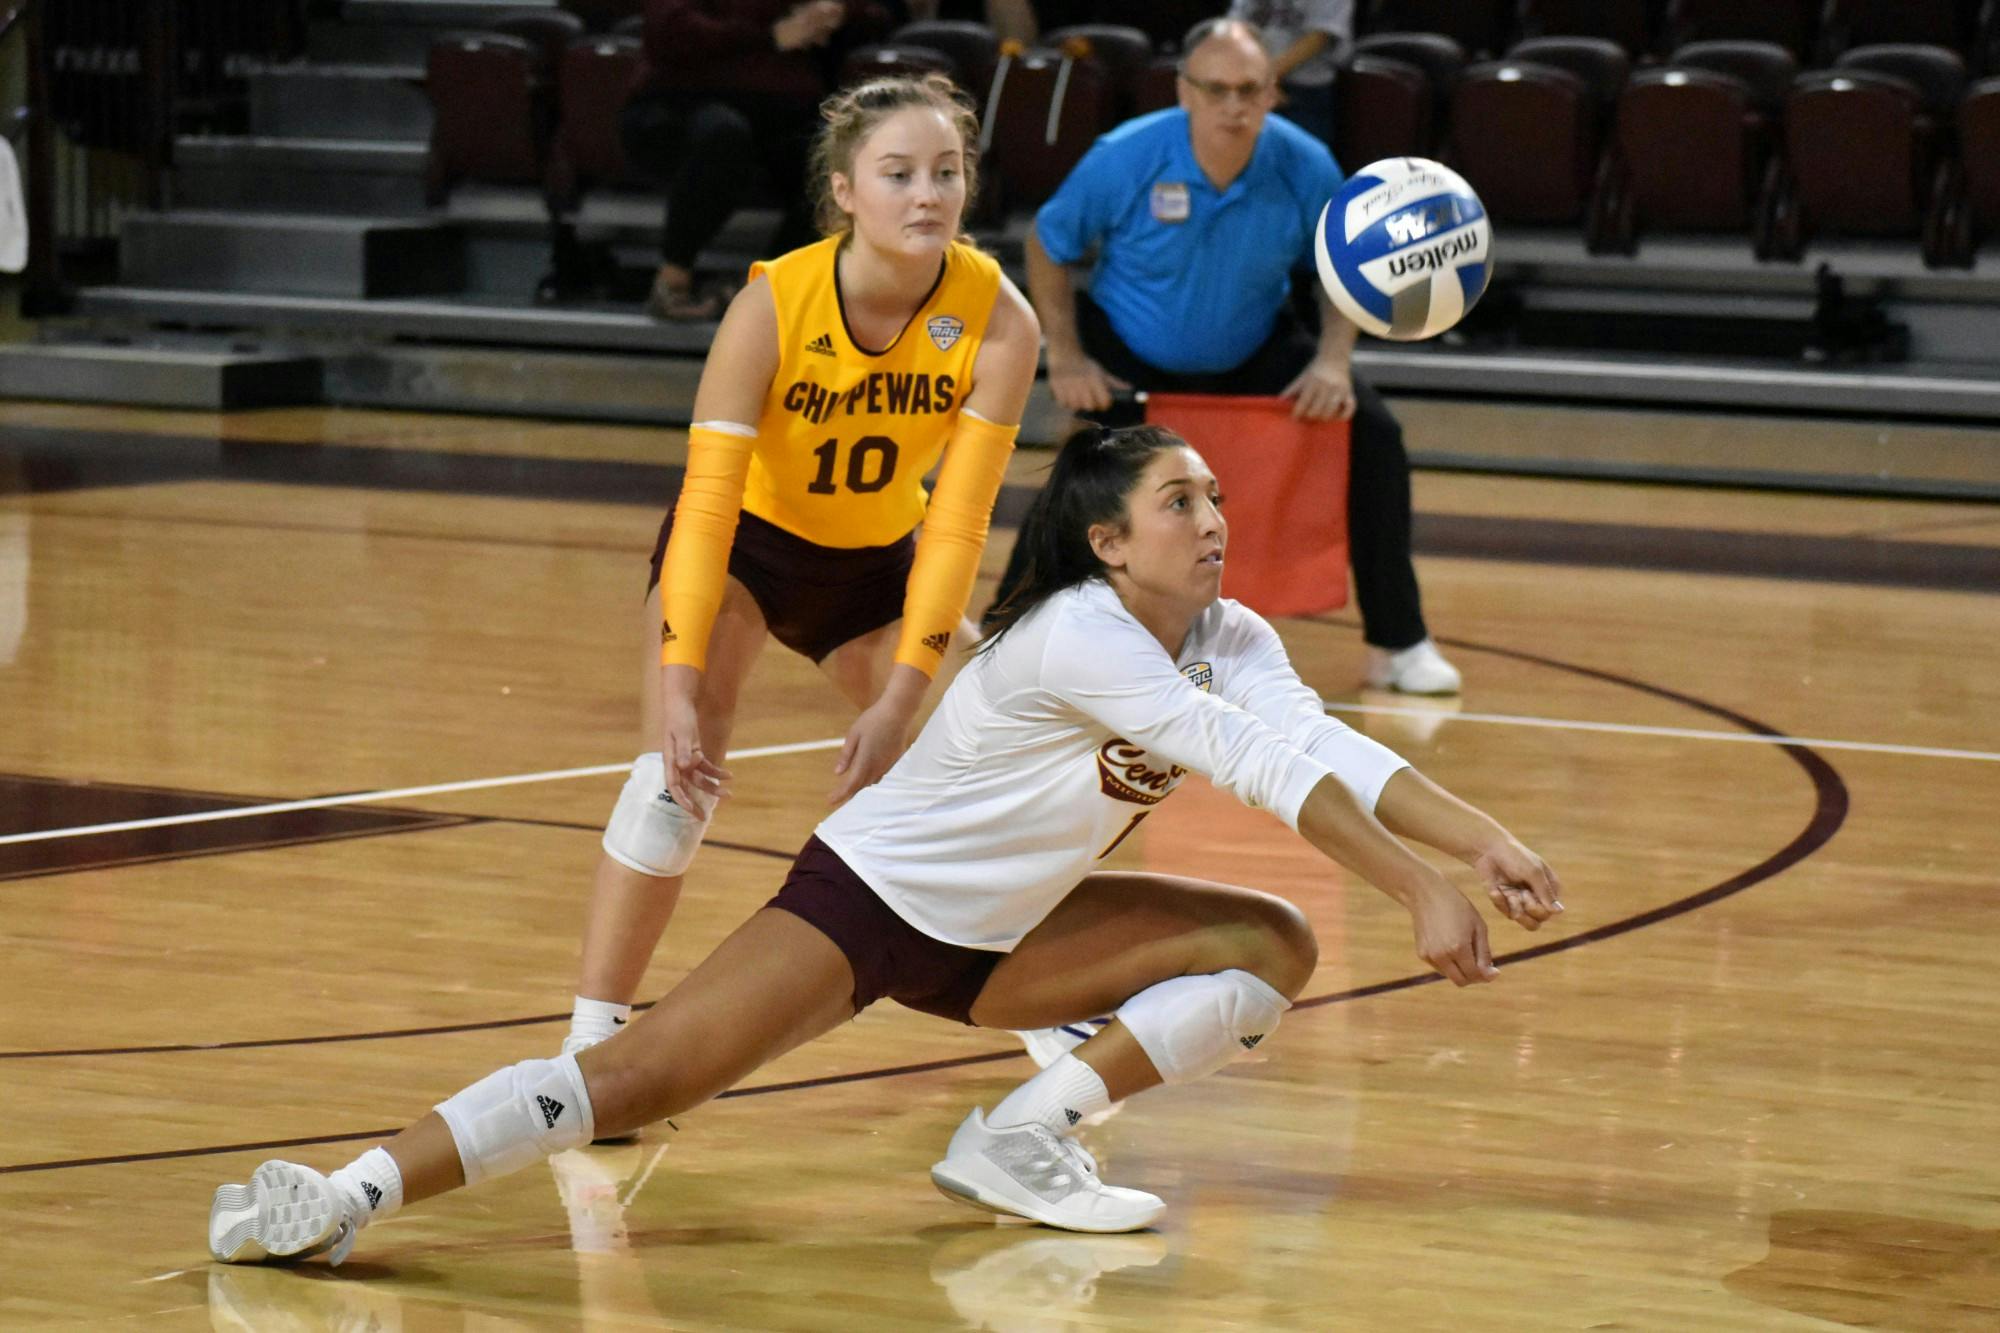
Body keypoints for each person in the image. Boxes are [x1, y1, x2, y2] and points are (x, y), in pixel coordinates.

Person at [206, 423, 1563, 1262]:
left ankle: (1022, 1138)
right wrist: (1421, 888)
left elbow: (1322, 746)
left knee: (1271, 943)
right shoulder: (1082, 631)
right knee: (629, 1081)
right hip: (869, 903)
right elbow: (1261, 770)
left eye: (1213, 496)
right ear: (1107, 541)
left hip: (1010, 936)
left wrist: (1478, 837)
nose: (1211, 520)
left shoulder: (1234, 635)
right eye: (1178, 503)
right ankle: (342, 1197)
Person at [561, 73, 1040, 1067]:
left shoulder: (997, 320)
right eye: (897, 173)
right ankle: (591, 1045)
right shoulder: (772, 303)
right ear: (845, 190)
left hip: (874, 568)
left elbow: (955, 530)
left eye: (945, 173)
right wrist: (679, 685)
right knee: (669, 789)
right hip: (744, 551)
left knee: (989, 768)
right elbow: (704, 502)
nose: (926, 195)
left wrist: (902, 698)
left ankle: (1033, 1008)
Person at [1010, 17, 1462, 697]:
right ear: (1184, 92)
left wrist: (1334, 361)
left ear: (1273, 92)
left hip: (1254, 345)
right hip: (1130, 346)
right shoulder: (1125, 155)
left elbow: (1344, 267)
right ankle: (1018, 628)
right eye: (1216, 90)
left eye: (1249, 90)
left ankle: (1399, 643)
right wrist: (1067, 356)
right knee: (1084, 469)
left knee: (1373, 433)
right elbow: (1049, 243)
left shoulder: (1305, 163)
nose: (1233, 106)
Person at [623, 0, 896, 320]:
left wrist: (836, 12)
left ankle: (767, 288)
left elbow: (877, 14)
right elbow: (667, 33)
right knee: (722, 134)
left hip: (781, 105)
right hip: (684, 97)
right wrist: (769, 37)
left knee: (842, 153)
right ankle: (672, 281)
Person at [1228, 0, 1353, 153]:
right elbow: (1236, 27)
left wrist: (1267, 75)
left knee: (1304, 161)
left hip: (1305, 92)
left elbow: (1320, 36)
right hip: (1250, 84)